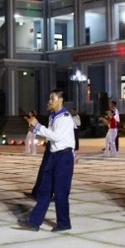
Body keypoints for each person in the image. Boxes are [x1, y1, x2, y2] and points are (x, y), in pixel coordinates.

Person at [17, 89, 75, 232]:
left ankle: (64, 223)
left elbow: (56, 136)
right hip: (53, 155)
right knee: (45, 190)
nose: (49, 101)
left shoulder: (65, 117)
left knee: (60, 192)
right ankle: (34, 221)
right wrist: (35, 129)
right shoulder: (53, 117)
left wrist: (38, 126)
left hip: (64, 157)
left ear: (60, 100)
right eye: (49, 99)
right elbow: (49, 136)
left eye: (52, 99)